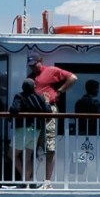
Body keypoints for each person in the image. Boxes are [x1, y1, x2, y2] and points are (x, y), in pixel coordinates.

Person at [27, 54, 76, 183]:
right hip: (34, 114)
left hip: (49, 111)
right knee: (31, 146)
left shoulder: (51, 71)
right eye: (30, 66)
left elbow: (72, 78)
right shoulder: (30, 77)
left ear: (40, 61)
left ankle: (47, 181)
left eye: (34, 64)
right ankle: (29, 181)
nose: (32, 68)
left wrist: (59, 91)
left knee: (50, 145)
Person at [10, 79, 48, 183]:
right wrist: (46, 101)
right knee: (27, 157)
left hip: (24, 129)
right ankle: (28, 181)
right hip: (35, 129)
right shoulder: (40, 97)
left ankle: (25, 179)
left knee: (12, 154)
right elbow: (48, 111)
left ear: (23, 87)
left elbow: (15, 109)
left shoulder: (19, 96)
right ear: (34, 87)